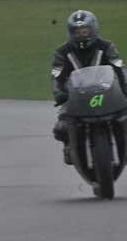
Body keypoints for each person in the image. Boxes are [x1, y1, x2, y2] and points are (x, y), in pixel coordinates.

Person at [51, 10, 126, 164]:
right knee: (61, 127)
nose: (81, 35)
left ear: (93, 29)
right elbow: (56, 75)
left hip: (107, 93)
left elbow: (119, 69)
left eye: (85, 31)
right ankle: (69, 146)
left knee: (124, 115)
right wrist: (59, 93)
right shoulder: (61, 52)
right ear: (71, 33)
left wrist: (125, 88)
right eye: (77, 32)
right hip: (76, 96)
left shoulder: (107, 47)